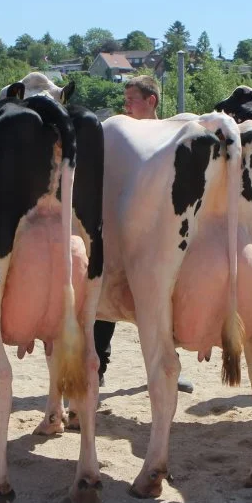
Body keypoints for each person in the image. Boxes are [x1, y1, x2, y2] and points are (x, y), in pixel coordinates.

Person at [95, 75, 194, 394]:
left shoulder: (171, 139)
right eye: (125, 100)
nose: (125, 106)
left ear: (151, 101)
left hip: (158, 238)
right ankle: (97, 370)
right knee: (104, 300)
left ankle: (168, 368)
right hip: (116, 232)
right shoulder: (115, 139)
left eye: (131, 100)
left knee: (163, 299)